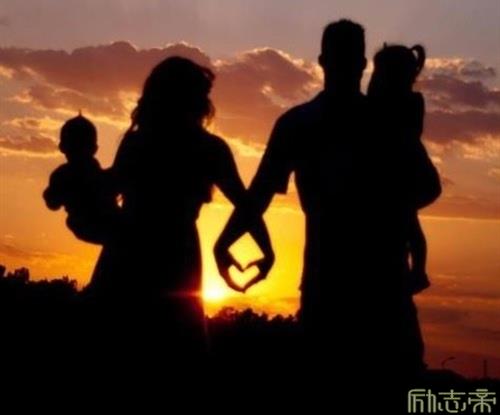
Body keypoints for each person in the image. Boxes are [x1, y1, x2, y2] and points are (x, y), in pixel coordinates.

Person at [215, 19, 441, 387]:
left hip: (344, 283)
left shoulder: (300, 123)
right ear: (362, 64)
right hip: (372, 283)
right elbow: (429, 189)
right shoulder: (381, 123)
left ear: (322, 60)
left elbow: (258, 195)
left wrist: (227, 241)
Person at [87, 56, 273, 359]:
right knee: (177, 349)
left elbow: (108, 192)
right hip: (177, 255)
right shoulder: (210, 149)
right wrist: (264, 248)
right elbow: (247, 205)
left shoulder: (137, 143)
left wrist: (85, 181)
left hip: (126, 252)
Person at [367, 44, 433, 294]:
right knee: (409, 222)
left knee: (409, 222)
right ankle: (418, 272)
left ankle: (419, 271)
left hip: (404, 173)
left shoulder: (404, 103)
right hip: (404, 174)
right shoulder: (406, 100)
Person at [43, 113, 120, 244]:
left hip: (91, 222)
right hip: (89, 222)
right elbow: (53, 202)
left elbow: (53, 203)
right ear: (94, 149)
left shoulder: (62, 174)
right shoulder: (65, 174)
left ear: (62, 147)